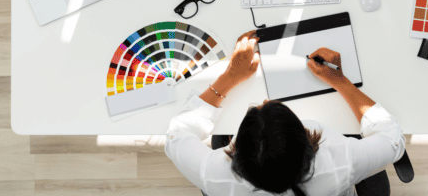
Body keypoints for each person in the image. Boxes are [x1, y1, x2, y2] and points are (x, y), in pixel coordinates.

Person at [165, 31, 405, 196]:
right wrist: (340, 81)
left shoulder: (215, 175)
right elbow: (393, 139)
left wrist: (229, 77)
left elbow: (177, 135)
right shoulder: (339, 160)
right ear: (306, 141)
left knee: (219, 135)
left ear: (236, 153)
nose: (267, 99)